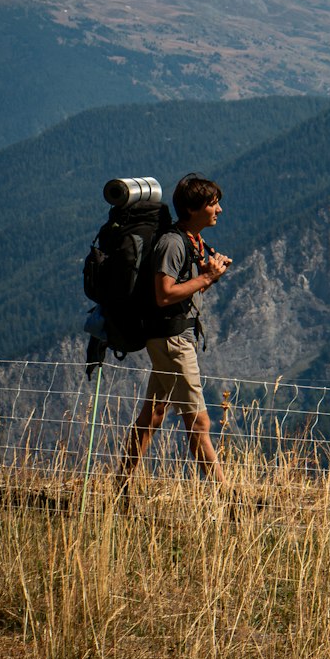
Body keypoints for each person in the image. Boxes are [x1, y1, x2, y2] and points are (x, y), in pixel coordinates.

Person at [118, 173, 232, 491]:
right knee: (199, 422)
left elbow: (183, 297)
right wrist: (207, 279)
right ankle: (234, 501)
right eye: (213, 204)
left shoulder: (191, 241)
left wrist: (210, 275)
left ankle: (120, 488)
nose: (219, 210)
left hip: (173, 337)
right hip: (172, 342)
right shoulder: (172, 243)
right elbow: (164, 294)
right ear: (195, 208)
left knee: (153, 416)